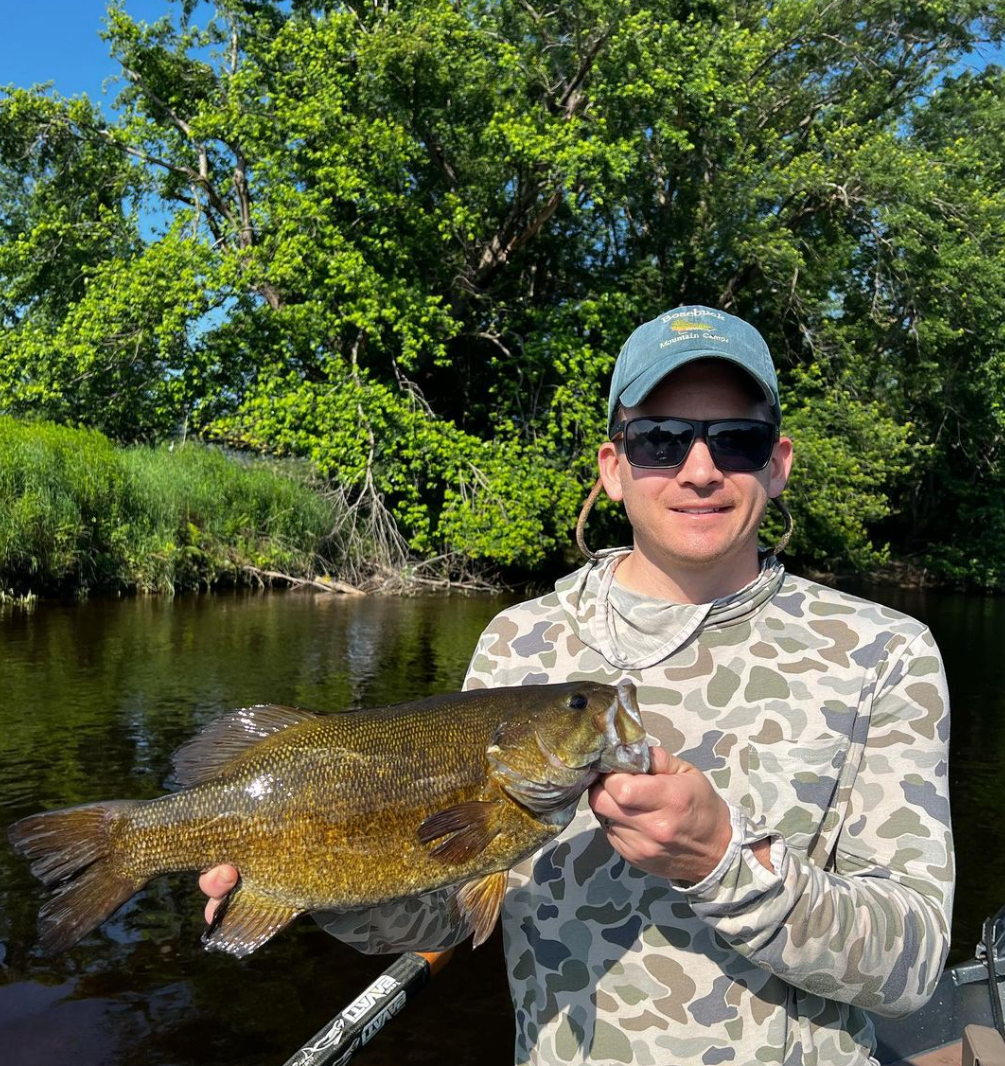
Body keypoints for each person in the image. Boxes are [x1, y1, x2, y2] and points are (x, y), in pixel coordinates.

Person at [201, 305, 954, 1065]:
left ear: (778, 462)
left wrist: (724, 862)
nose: (699, 470)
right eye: (659, 440)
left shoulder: (882, 653)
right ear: (612, 468)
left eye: (736, 440)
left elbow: (913, 966)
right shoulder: (522, 643)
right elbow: (445, 916)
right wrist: (312, 865)